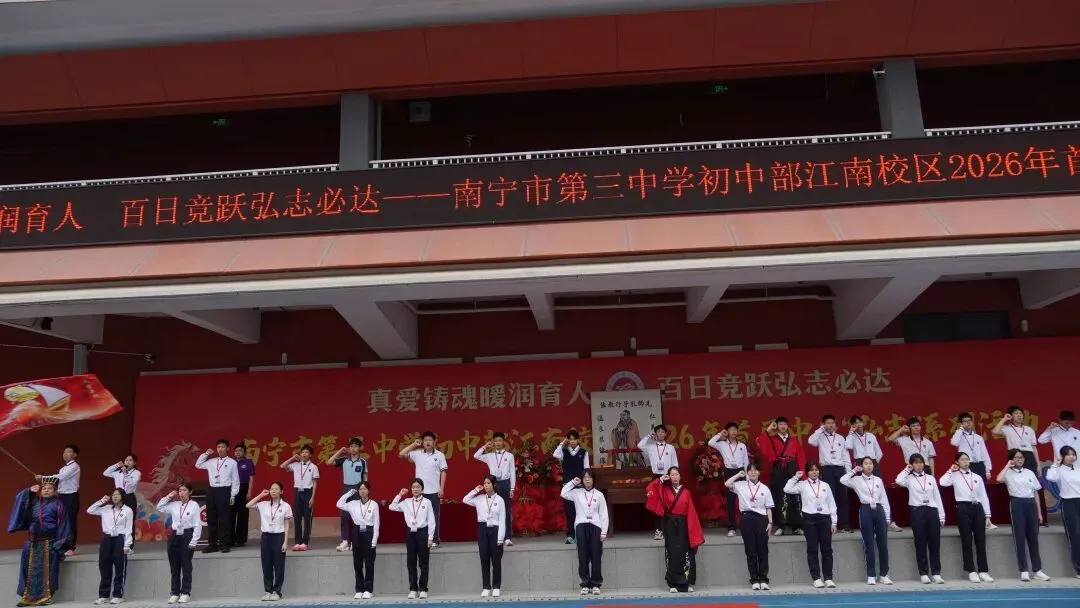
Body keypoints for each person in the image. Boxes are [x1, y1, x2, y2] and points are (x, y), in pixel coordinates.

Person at [8, 477, 73, 607]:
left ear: (55, 491)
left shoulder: (59, 506)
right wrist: (28, 491)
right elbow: (19, 500)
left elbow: (64, 525)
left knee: (49, 572)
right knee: (27, 570)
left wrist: (60, 544)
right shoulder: (34, 502)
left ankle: (46, 597)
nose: (46, 490)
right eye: (44, 488)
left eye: (50, 488)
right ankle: (27, 598)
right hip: (32, 543)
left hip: (49, 543)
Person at [646, 466, 704, 593]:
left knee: (686, 551)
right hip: (670, 523)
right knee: (672, 551)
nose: (675, 477)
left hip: (684, 523)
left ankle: (687, 582)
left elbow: (691, 512)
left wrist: (692, 528)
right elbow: (651, 489)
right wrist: (661, 479)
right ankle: (673, 583)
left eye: (677, 474)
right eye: (672, 475)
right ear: (669, 477)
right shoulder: (664, 490)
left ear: (680, 476)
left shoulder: (686, 492)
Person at [939, 452, 994, 583]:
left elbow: (983, 496)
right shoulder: (954, 475)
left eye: (967, 459)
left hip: (978, 507)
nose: (965, 462)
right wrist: (950, 470)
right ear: (957, 462)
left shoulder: (977, 477)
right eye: (962, 460)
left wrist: (988, 515)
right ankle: (971, 570)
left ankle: (983, 571)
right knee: (967, 540)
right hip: (963, 507)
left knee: (981, 540)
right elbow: (942, 482)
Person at [997, 449, 1050, 582]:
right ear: (1011, 459)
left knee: (1033, 538)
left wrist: (1039, 513)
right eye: (1016, 457)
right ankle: (1024, 570)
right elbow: (999, 479)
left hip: (1030, 503)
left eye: (1021, 457)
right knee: (1020, 538)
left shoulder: (1029, 472)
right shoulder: (1008, 473)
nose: (1019, 459)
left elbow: (1035, 493)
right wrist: (1007, 466)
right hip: (1017, 503)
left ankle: (1037, 570)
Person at [784, 462, 837, 588]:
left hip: (825, 519)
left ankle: (828, 578)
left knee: (827, 549)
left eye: (816, 470)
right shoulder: (802, 485)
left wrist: (834, 521)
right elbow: (787, 489)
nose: (814, 472)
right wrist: (796, 477)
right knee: (812, 549)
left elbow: (831, 503)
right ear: (807, 472)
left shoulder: (825, 485)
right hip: (809, 519)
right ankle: (816, 578)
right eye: (812, 470)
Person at [841, 456, 892, 586]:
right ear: (861, 466)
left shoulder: (878, 480)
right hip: (865, 509)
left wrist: (887, 516)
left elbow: (884, 498)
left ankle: (884, 574)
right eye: (866, 463)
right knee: (868, 543)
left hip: (879, 509)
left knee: (883, 543)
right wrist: (854, 471)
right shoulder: (856, 480)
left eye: (870, 463)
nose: (868, 466)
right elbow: (843, 480)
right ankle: (871, 574)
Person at [895, 454, 946, 584]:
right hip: (917, 511)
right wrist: (907, 469)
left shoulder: (930, 478)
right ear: (912, 464)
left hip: (932, 510)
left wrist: (941, 515)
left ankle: (936, 573)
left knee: (935, 543)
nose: (919, 465)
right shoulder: (908, 478)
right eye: (916, 463)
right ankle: (923, 573)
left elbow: (937, 496)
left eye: (921, 462)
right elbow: (898, 480)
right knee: (920, 542)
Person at [724, 464, 773, 590]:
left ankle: (763, 579)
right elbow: (727, 484)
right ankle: (754, 579)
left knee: (762, 550)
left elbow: (768, 507)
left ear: (759, 472)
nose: (753, 472)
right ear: (747, 473)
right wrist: (738, 475)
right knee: (750, 550)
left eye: (755, 470)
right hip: (746, 518)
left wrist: (770, 523)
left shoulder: (765, 488)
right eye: (750, 471)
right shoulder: (741, 485)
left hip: (762, 519)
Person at [756, 417, 806, 536]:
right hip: (779, 468)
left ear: (787, 426)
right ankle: (781, 526)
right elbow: (760, 440)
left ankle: (797, 526)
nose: (783, 426)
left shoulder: (794, 440)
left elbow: (801, 456)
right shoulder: (772, 439)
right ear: (777, 426)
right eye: (780, 424)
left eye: (785, 424)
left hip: (792, 468)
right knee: (779, 495)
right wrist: (769, 428)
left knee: (795, 496)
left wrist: (802, 472)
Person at [560, 471, 608, 595]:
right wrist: (573, 482)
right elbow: (563, 493)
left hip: (596, 526)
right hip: (581, 525)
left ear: (593, 479)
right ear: (582, 479)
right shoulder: (577, 493)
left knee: (596, 555)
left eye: (589, 477)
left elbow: (603, 513)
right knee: (583, 555)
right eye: (585, 477)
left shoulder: (599, 495)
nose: (587, 479)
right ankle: (585, 584)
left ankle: (596, 584)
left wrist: (604, 532)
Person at [399, 431, 448, 548]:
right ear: (422, 442)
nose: (427, 442)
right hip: (419, 492)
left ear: (434, 442)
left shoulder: (440, 455)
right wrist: (414, 444)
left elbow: (443, 472)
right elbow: (401, 454)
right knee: (419, 515)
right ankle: (421, 539)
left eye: (430, 440)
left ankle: (435, 539)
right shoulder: (417, 454)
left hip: (434, 490)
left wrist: (441, 488)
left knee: (434, 516)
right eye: (425, 440)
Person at [155, 483, 202, 604]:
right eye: (180, 490)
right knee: (174, 566)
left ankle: (186, 592)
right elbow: (159, 507)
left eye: (184, 490)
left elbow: (197, 524)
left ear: (190, 492)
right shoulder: (174, 505)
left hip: (187, 534)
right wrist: (168, 497)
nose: (181, 493)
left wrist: (194, 540)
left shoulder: (194, 505)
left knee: (186, 565)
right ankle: (175, 592)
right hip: (175, 535)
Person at [389, 479, 436, 599]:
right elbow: (392, 507)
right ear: (411, 489)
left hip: (423, 532)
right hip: (410, 533)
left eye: (418, 487)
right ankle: (413, 589)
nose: (415, 489)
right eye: (413, 487)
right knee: (411, 562)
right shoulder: (406, 502)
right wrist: (400, 494)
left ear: (422, 489)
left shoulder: (427, 502)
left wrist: (430, 538)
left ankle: (423, 589)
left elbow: (431, 520)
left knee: (424, 562)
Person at [245, 481, 292, 601]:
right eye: (271, 489)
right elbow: (248, 505)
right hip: (266, 537)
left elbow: (287, 525)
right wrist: (261, 495)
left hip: (279, 537)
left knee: (279, 566)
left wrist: (285, 542)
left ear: (281, 491)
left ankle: (277, 592)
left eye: (276, 489)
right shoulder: (263, 504)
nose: (273, 491)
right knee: (266, 565)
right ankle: (268, 591)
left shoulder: (286, 506)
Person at [87, 488, 134, 604]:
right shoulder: (106, 508)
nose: (115, 497)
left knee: (119, 567)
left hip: (120, 539)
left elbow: (129, 528)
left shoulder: (127, 510)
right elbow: (90, 510)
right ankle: (104, 595)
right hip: (107, 539)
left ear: (122, 496)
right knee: (104, 567)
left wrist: (127, 545)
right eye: (113, 495)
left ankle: (118, 595)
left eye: (117, 495)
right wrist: (101, 501)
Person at [464, 476, 507, 597]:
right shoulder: (479, 499)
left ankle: (496, 586)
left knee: (496, 560)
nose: (486, 485)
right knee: (484, 558)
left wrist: (500, 538)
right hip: (482, 529)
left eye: (488, 483)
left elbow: (502, 520)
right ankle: (486, 586)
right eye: (485, 483)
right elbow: (465, 499)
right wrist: (476, 490)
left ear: (494, 485)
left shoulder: (500, 500)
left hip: (495, 529)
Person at [336, 482, 380, 600]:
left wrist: (374, 540)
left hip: (369, 532)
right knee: (357, 563)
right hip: (356, 532)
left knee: (369, 563)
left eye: (364, 489)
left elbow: (377, 524)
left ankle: (368, 590)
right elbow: (339, 504)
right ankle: (359, 589)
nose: (362, 491)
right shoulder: (353, 504)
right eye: (360, 489)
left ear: (368, 491)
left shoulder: (374, 504)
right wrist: (348, 493)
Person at [808, 415, 851, 533]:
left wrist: (848, 472)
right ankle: (831, 524)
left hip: (840, 469)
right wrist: (820, 429)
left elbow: (846, 455)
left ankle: (844, 524)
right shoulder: (820, 437)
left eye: (832, 423)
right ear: (823, 424)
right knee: (829, 496)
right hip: (827, 469)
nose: (830, 425)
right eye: (827, 423)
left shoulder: (840, 438)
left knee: (843, 497)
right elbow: (810, 441)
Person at [195, 439, 239, 553]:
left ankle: (224, 544)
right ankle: (212, 545)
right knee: (211, 519)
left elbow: (235, 480)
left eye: (223, 447)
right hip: (212, 490)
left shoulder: (232, 462)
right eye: (218, 447)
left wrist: (233, 495)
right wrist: (206, 454)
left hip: (225, 490)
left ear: (227, 448)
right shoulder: (211, 461)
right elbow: (198, 464)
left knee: (224, 519)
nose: (220, 449)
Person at [36, 444, 80, 556]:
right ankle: (61, 545)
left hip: (70, 496)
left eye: (69, 452)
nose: (65, 454)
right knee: (61, 521)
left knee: (70, 521)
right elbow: (59, 481)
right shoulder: (63, 468)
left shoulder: (74, 466)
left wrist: (43, 478)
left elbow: (61, 477)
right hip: (62, 496)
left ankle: (70, 547)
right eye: (64, 452)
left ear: (75, 455)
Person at [474, 432, 516, 546]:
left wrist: (512, 488)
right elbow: (476, 456)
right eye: (495, 441)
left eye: (500, 440)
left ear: (503, 442)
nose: (497, 443)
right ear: (493, 442)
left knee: (506, 510)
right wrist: (484, 447)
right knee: (492, 508)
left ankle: (507, 537)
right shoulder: (489, 456)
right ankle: (495, 535)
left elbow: (512, 472)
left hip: (505, 483)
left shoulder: (509, 456)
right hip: (493, 483)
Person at [708, 422, 749, 537]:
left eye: (735, 429)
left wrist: (747, 477)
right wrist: (720, 434)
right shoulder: (722, 444)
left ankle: (746, 525)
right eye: (731, 430)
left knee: (743, 500)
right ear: (727, 431)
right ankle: (731, 528)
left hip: (741, 472)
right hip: (729, 472)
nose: (734, 432)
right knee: (730, 501)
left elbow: (746, 461)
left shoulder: (742, 446)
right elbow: (710, 442)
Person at [639, 424, 679, 540]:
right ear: (655, 434)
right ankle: (658, 530)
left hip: (668, 476)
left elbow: (675, 464)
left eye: (662, 432)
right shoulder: (650, 447)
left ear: (665, 434)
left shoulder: (670, 448)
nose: (660, 434)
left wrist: (674, 478)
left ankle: (671, 529)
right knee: (657, 504)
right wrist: (648, 436)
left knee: (671, 503)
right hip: (656, 477)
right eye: (658, 432)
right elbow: (639, 445)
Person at [328, 437, 368, 552]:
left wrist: (365, 490)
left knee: (358, 516)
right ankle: (345, 541)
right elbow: (329, 462)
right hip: (346, 489)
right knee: (344, 516)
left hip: (358, 489)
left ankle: (356, 541)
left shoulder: (363, 461)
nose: (353, 448)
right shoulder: (344, 460)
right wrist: (340, 451)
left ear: (360, 448)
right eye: (351, 446)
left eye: (355, 446)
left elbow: (365, 477)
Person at [1045, 446, 1080, 578]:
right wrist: (1055, 463)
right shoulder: (1058, 471)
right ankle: (1078, 569)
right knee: (1075, 536)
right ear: (1063, 456)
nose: (1072, 457)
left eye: (1073, 454)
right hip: (1069, 503)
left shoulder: (1078, 470)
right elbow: (1050, 477)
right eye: (1068, 455)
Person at [553, 430, 591, 544]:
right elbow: (555, 455)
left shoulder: (583, 452)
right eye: (570, 439)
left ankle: (581, 534)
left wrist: (587, 485)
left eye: (574, 439)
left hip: (580, 486)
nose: (572, 441)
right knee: (569, 511)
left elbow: (587, 469)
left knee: (581, 511)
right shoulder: (564, 451)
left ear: (578, 440)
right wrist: (562, 443)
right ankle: (570, 535)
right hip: (568, 487)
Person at [281, 444, 319, 551]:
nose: (304, 454)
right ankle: (297, 542)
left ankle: (305, 543)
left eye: (306, 452)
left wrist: (312, 497)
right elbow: (282, 466)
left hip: (308, 492)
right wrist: (293, 458)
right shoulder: (295, 465)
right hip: (297, 492)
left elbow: (315, 483)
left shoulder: (313, 467)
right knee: (297, 518)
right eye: (302, 452)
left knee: (307, 518)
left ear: (310, 455)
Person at [993, 406, 1039, 475]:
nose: (1019, 415)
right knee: (1015, 477)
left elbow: (1034, 448)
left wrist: (1038, 464)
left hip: (1029, 456)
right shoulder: (1006, 428)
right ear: (1011, 416)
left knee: (1031, 477)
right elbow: (995, 432)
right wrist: (1004, 419)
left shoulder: (1029, 429)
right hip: (1014, 455)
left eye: (1020, 413)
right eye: (1016, 413)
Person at [951, 413, 993, 481]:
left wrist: (987, 470)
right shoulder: (959, 435)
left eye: (969, 420)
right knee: (968, 485)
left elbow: (984, 454)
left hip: (979, 465)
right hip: (966, 465)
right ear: (961, 423)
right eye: (965, 421)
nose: (968, 423)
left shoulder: (979, 437)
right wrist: (961, 429)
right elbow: (954, 442)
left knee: (981, 486)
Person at [233, 444, 256, 547]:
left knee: (243, 514)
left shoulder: (248, 463)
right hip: (232, 489)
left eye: (240, 450)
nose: (238, 452)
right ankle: (230, 539)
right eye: (236, 451)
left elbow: (251, 478)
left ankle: (240, 540)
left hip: (244, 488)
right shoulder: (231, 462)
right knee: (230, 514)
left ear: (244, 452)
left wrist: (249, 491)